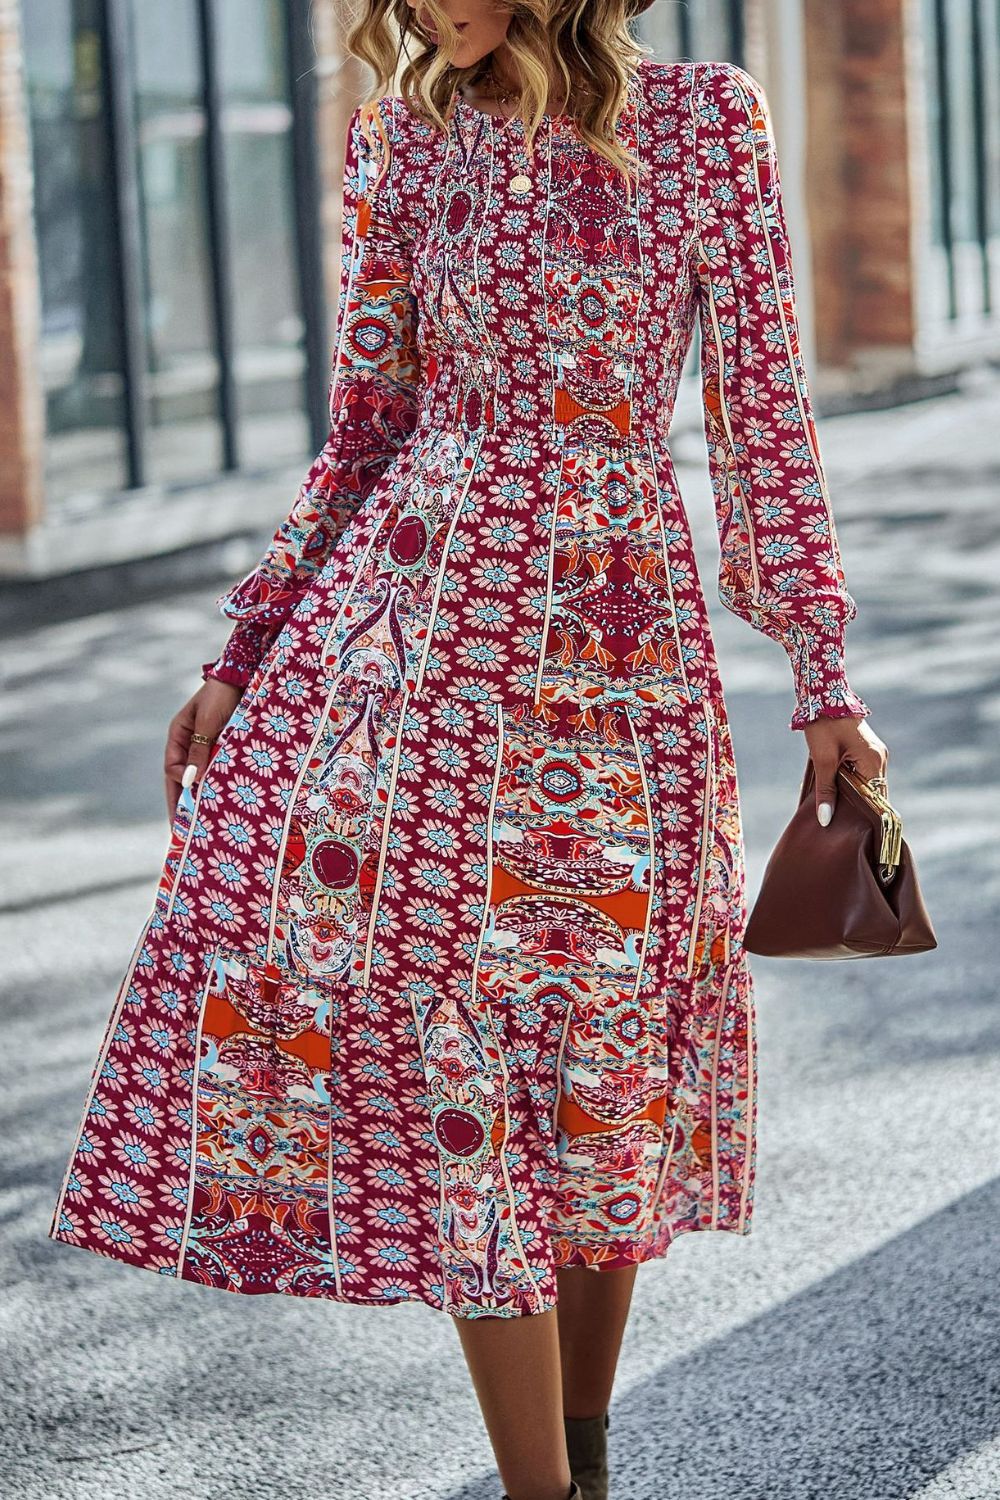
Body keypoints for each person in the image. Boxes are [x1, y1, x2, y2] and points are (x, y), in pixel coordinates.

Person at [49, 3, 888, 1498]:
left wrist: (826, 674)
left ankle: (586, 1458)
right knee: (464, 1052)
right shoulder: (406, 137)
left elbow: (766, 420)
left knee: (606, 1063)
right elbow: (366, 431)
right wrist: (240, 654)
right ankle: (537, 1492)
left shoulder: (707, 125)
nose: (426, 3)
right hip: (421, 648)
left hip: (626, 654)